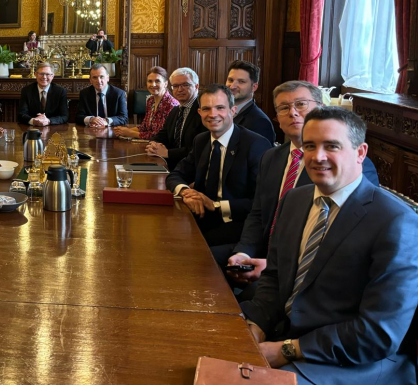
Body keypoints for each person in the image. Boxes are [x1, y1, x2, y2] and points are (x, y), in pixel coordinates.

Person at [241, 108, 418, 384]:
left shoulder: (396, 222)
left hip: (354, 361)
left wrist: (288, 350)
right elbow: (274, 277)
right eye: (309, 145)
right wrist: (256, 326)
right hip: (286, 335)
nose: (317, 157)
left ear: (361, 153)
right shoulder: (295, 200)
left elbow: (378, 333)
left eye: (331, 146)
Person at [224, 81, 379, 295]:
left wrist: (275, 267)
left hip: (306, 272)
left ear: (320, 108)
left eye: (301, 104)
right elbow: (258, 214)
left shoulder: (351, 166)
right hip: (262, 254)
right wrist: (243, 252)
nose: (293, 113)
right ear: (277, 118)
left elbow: (342, 241)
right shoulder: (271, 157)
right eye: (284, 108)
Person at [165, 84, 273, 246]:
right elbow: (176, 174)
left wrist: (215, 205)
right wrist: (186, 192)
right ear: (200, 113)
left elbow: (261, 201)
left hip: (236, 222)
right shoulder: (201, 140)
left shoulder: (255, 144)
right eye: (206, 109)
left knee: (191, 248)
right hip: (201, 215)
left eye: (220, 108)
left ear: (233, 110)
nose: (212, 114)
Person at [145, 67, 204, 169]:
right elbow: (163, 134)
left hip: (193, 169)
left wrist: (168, 153)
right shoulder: (175, 110)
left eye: (185, 85)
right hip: (173, 166)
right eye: (175, 86)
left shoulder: (203, 110)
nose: (180, 89)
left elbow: (200, 147)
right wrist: (153, 144)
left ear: (196, 86)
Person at [114, 66, 179, 139]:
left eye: (157, 81)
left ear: (165, 84)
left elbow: (158, 135)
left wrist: (130, 133)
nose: (153, 85)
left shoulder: (171, 104)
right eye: (150, 81)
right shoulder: (150, 100)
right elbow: (144, 127)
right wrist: (123, 131)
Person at [226, 60, 276, 143]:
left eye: (241, 81)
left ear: (254, 87)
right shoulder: (220, 111)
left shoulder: (260, 122)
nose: (232, 86)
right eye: (230, 80)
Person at [75, 63, 128, 127]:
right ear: (90, 80)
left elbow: (124, 118)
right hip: (91, 131)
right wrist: (91, 119)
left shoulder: (119, 94)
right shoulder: (84, 93)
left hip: (112, 130)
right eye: (95, 77)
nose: (99, 81)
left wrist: (106, 121)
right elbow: (78, 117)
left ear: (108, 78)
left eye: (101, 77)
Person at [17, 61, 69, 126]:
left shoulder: (60, 91)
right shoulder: (26, 91)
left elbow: (64, 116)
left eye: (47, 74)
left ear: (52, 76)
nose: (44, 77)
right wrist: (34, 121)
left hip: (54, 129)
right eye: (41, 74)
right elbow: (21, 114)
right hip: (32, 129)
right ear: (35, 74)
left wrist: (48, 121)